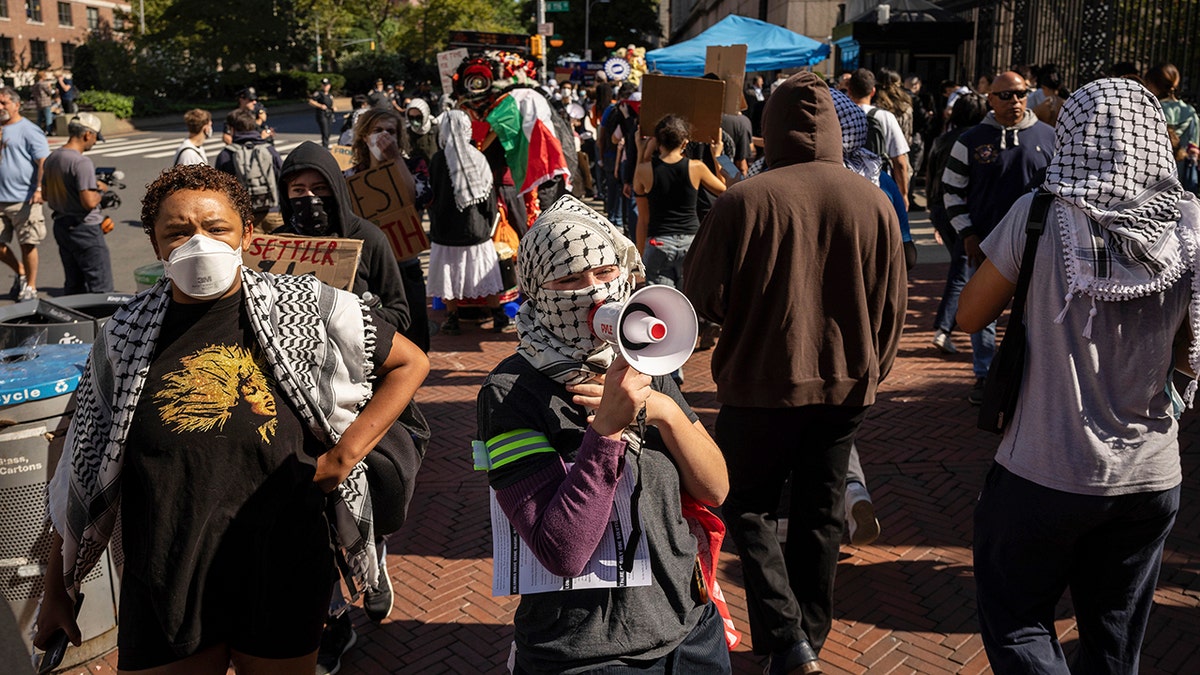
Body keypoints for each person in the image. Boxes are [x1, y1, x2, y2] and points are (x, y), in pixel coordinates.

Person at [33, 163, 430, 673]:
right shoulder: (121, 338)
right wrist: (56, 592)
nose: (198, 242)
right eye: (178, 231)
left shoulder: (305, 307)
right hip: (164, 575)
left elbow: (409, 362)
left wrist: (344, 455)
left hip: (281, 566)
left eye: (216, 228)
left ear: (247, 234)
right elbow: (80, 471)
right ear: (157, 246)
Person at [959, 77, 1197, 675]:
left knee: (1016, 617)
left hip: (1045, 466)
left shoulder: (1040, 214)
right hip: (1150, 472)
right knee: (1115, 640)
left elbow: (971, 314)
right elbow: (1192, 349)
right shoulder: (1191, 221)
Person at [683, 72, 906, 675]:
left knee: (744, 503)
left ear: (769, 127)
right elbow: (894, 302)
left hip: (760, 381)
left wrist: (743, 314)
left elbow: (698, 293)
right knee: (820, 510)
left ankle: (789, 637)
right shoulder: (874, 201)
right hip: (846, 383)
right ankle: (807, 634)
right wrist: (871, 369)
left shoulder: (743, 199)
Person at [477, 194, 731, 674]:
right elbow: (562, 550)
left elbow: (716, 488)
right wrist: (608, 430)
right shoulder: (510, 394)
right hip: (589, 653)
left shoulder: (643, 360)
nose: (593, 293)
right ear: (535, 290)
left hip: (689, 630)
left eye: (605, 273)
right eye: (570, 279)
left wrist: (664, 413)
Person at [275, 142, 420, 675]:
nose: (308, 199)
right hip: (293, 399)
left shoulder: (369, 239)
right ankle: (334, 622)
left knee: (358, 498)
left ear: (335, 189)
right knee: (310, 520)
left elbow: (405, 315)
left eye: (317, 189)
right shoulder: (277, 244)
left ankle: (373, 554)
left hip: (354, 396)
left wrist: (366, 315)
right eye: (297, 190)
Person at [942, 70, 1055, 404]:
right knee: (986, 311)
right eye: (1005, 95)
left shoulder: (1050, 138)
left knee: (1033, 312)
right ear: (990, 98)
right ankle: (984, 374)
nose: (1014, 101)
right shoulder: (971, 140)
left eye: (1021, 93)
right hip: (987, 245)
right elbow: (951, 191)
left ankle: (1028, 377)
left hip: (1039, 246)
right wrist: (968, 232)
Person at [348, 108, 431, 352]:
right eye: (377, 131)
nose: (385, 136)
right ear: (364, 136)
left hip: (406, 266)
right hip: (370, 271)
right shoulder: (351, 176)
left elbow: (413, 199)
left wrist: (393, 158)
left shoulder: (415, 166)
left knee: (415, 342)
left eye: (391, 131)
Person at [425, 110, 510, 336]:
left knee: (448, 274)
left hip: (445, 231)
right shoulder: (477, 157)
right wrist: (489, 223)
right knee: (485, 272)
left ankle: (452, 319)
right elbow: (489, 197)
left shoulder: (438, 159)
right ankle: (498, 315)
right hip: (476, 229)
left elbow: (431, 195)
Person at [926, 93, 988, 356]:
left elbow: (930, 176)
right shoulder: (976, 142)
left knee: (961, 267)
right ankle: (944, 328)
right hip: (962, 210)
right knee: (962, 270)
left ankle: (947, 326)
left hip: (942, 208)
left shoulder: (942, 140)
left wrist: (934, 213)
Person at [43, 112, 112, 294]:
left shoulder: (52, 158)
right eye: (95, 137)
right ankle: (103, 321)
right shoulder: (81, 162)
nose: (95, 142)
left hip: (61, 225)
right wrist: (101, 190)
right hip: (85, 228)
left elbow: (45, 194)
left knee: (74, 284)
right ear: (87, 134)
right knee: (101, 286)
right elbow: (89, 202)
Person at [0, 87, 49, 301]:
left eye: (4, 103)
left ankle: (31, 286)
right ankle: (20, 271)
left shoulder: (28, 129)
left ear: (16, 105)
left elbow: (43, 162)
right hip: (1, 199)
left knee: (27, 243)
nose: (0, 107)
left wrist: (39, 189)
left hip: (24, 199)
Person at [847, 68, 911, 210]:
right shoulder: (885, 117)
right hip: (880, 185)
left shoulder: (840, 116)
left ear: (849, 90)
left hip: (847, 184)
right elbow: (900, 161)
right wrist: (904, 194)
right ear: (873, 91)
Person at [215, 109, 284, 232]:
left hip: (245, 217)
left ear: (232, 129)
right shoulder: (269, 150)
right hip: (273, 212)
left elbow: (219, 190)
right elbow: (283, 179)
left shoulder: (227, 154)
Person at [1144, 63, 1200, 196]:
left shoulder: (1151, 110)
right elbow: (1195, 145)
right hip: (1183, 174)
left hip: (1155, 176)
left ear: (1153, 84)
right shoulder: (1190, 112)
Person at [308, 77, 337, 148]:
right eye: (323, 85)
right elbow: (311, 101)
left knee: (329, 131)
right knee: (325, 131)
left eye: (326, 85)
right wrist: (320, 105)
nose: (325, 87)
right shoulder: (319, 94)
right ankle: (325, 147)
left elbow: (331, 104)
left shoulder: (330, 95)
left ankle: (326, 144)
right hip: (322, 114)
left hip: (329, 114)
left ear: (329, 86)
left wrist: (333, 108)